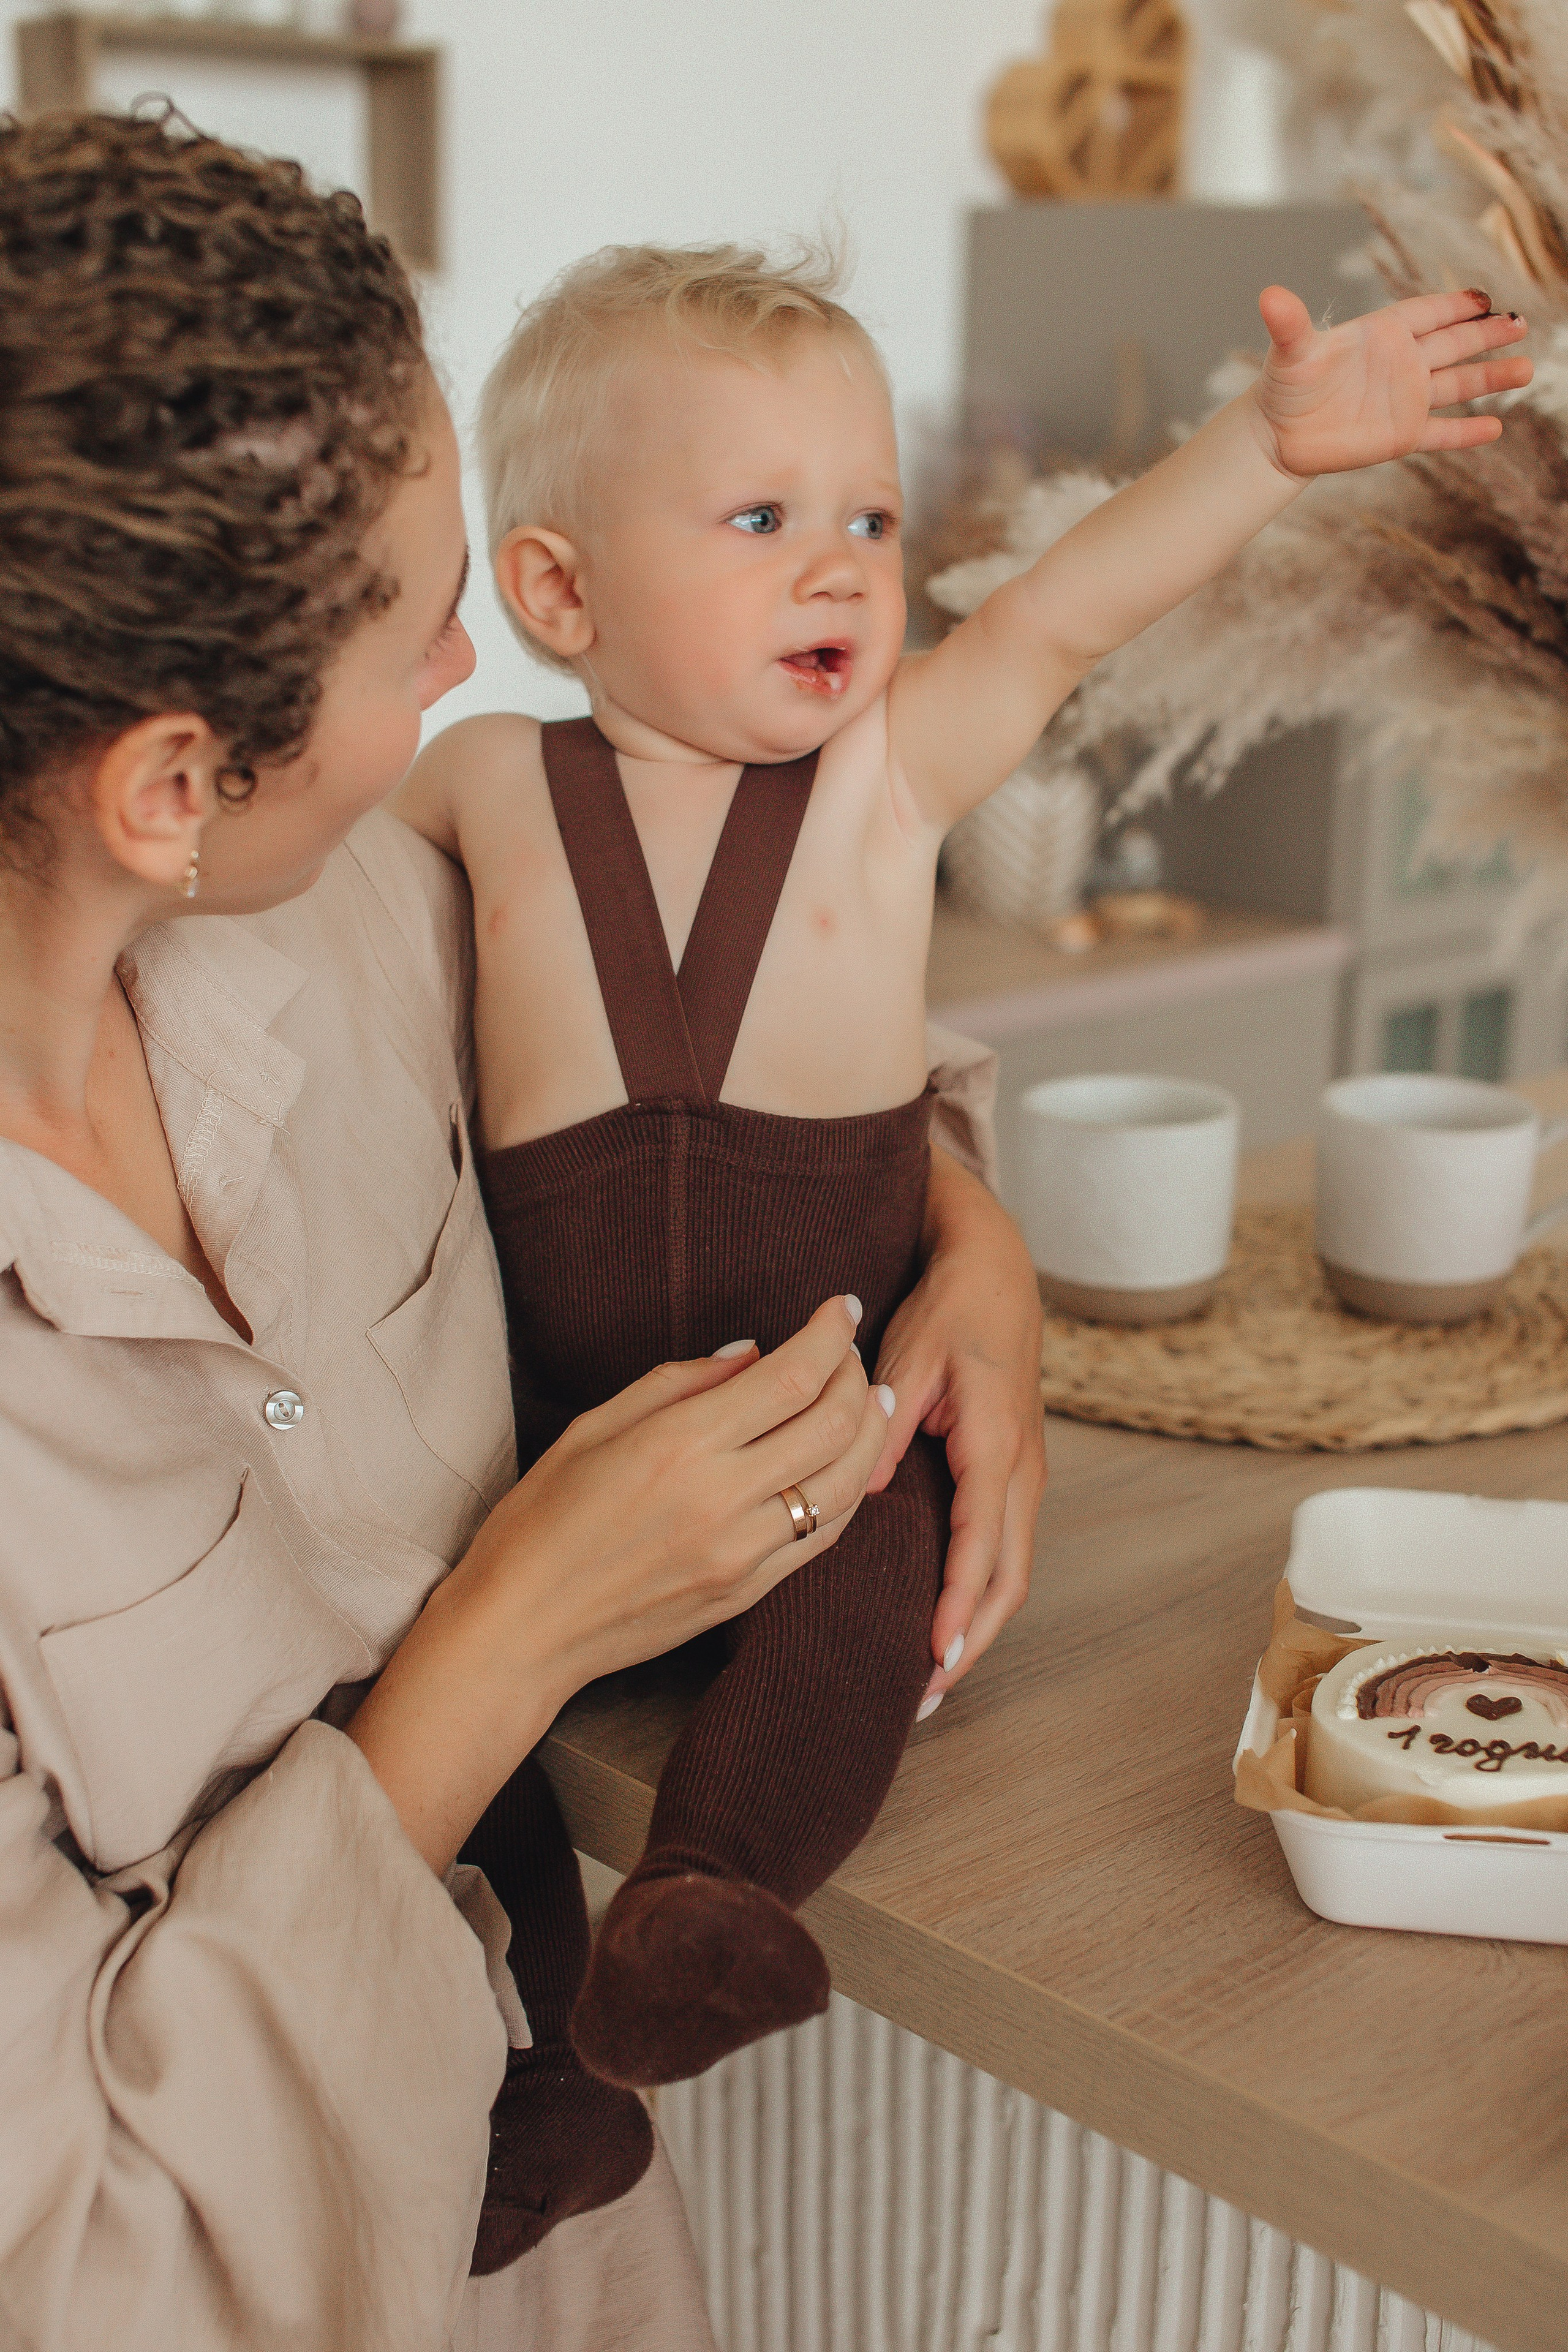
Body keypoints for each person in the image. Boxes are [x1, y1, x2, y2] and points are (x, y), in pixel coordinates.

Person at [0, 115, 1047, 2350]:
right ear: (175, 788)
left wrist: (970, 1243)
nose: (479, 666)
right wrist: (511, 1635)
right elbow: (80, 2257)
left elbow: (716, 1041)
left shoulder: (345, 915)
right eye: (424, 631)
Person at [396, 236, 1534, 2166]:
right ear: (558, 587)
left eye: (867, 514)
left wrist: (1263, 448)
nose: (842, 562)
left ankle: (706, 1902)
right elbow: (281, 897)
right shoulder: (482, 779)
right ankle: (529, 2084)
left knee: (874, 1581)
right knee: (435, 1643)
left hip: (821, 1425)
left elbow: (1058, 620)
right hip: (553, 1450)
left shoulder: (882, 778)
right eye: (762, 516)